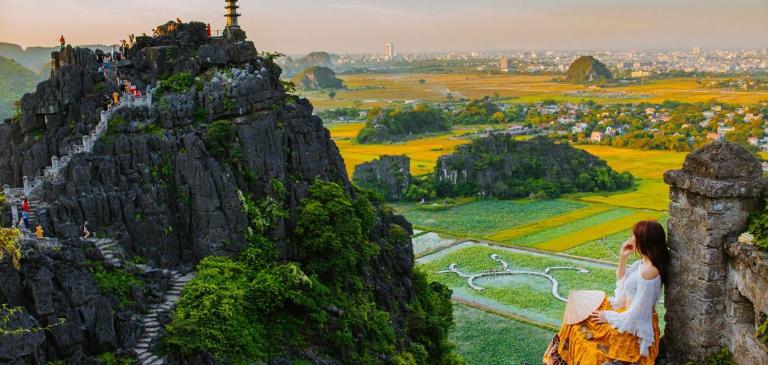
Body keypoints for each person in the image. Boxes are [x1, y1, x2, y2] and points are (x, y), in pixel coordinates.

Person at [543, 220, 669, 365]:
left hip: (634, 327)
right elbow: (624, 291)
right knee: (576, 321)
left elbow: (638, 315)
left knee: (585, 339)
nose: (631, 239)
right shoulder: (641, 264)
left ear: (644, 241)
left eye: (634, 236)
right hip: (625, 315)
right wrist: (623, 258)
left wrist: (607, 316)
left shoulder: (649, 272)